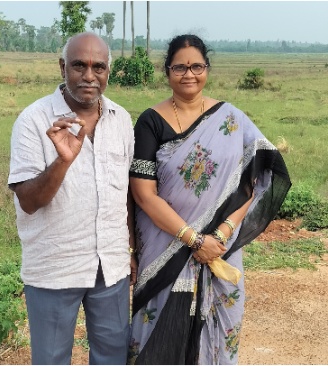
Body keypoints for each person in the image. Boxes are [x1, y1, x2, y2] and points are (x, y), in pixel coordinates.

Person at [128, 34, 291, 364]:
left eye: (197, 66)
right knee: (158, 332)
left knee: (220, 328)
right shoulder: (150, 121)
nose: (189, 74)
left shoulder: (230, 119)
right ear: (167, 71)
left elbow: (257, 178)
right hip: (165, 249)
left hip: (220, 249)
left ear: (207, 68)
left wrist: (222, 233)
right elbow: (144, 195)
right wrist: (194, 240)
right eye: (180, 67)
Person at [8, 32, 137, 365]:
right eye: (79, 65)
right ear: (62, 67)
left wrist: (132, 248)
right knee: (51, 359)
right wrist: (63, 161)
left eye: (99, 67)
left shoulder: (121, 120)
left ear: (109, 71)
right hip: (55, 267)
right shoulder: (33, 121)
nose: (89, 76)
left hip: (110, 266)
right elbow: (28, 201)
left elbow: (126, 194)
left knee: (113, 356)